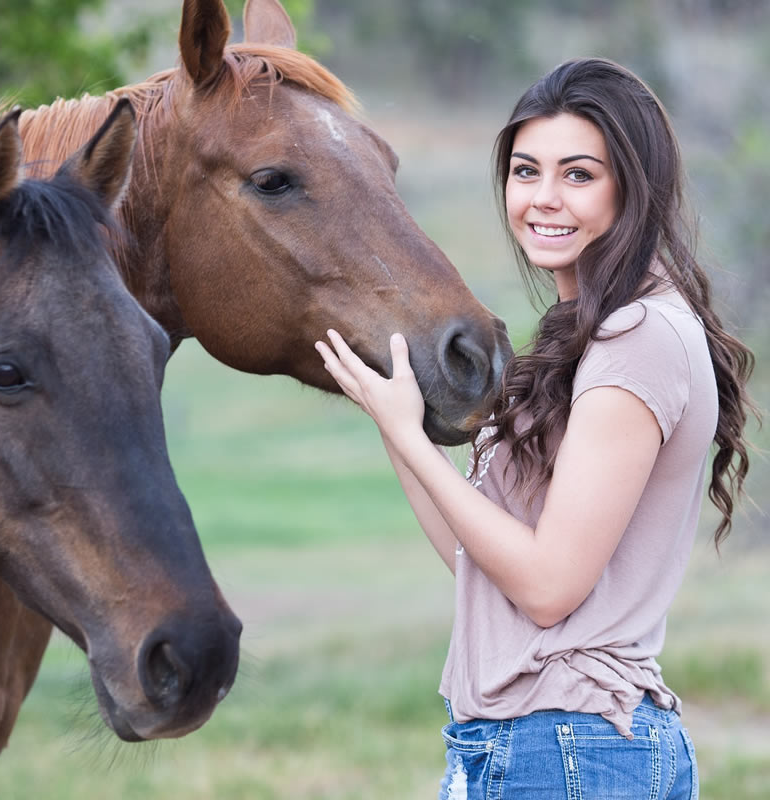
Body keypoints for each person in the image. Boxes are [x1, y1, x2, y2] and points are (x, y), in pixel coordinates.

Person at [315, 57, 756, 799]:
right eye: (526, 172)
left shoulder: (638, 335)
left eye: (578, 175)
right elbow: (482, 569)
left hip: (570, 751)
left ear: (633, 187)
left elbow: (549, 588)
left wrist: (416, 442)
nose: (543, 199)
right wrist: (397, 429)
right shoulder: (590, 333)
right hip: (530, 747)